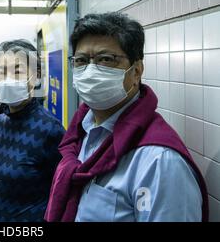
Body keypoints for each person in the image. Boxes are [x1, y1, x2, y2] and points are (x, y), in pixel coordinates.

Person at [45, 12, 209, 222]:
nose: (91, 70)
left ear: (137, 71)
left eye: (106, 59)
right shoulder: (81, 131)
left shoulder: (159, 162)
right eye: (82, 61)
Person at [0, 40, 64, 222]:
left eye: (17, 71)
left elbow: (61, 193)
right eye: (2, 72)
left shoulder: (50, 129)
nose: (8, 79)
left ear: (36, 76)